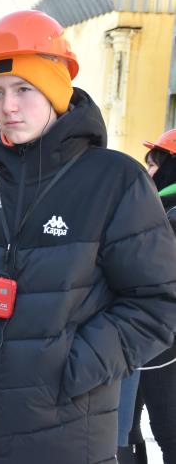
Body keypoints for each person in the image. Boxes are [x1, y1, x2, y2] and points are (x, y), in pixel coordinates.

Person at [0, 10, 176, 464]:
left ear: (56, 90)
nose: (8, 106)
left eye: (24, 88)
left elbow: (158, 303)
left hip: (65, 433)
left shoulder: (115, 181)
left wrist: (72, 365)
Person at [122, 130, 176, 464]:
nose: (149, 172)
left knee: (163, 428)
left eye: (154, 165)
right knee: (127, 427)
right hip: (152, 336)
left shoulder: (169, 215)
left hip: (161, 341)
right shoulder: (160, 209)